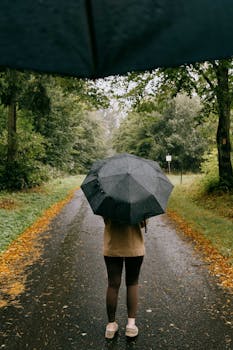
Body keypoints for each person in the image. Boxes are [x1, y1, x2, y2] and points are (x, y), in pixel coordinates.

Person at [103, 217, 146, 339]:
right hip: (134, 246)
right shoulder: (139, 199)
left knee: (113, 284)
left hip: (112, 246)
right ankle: (131, 326)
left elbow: (106, 220)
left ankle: (111, 326)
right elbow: (143, 223)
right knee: (132, 283)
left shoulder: (108, 199)